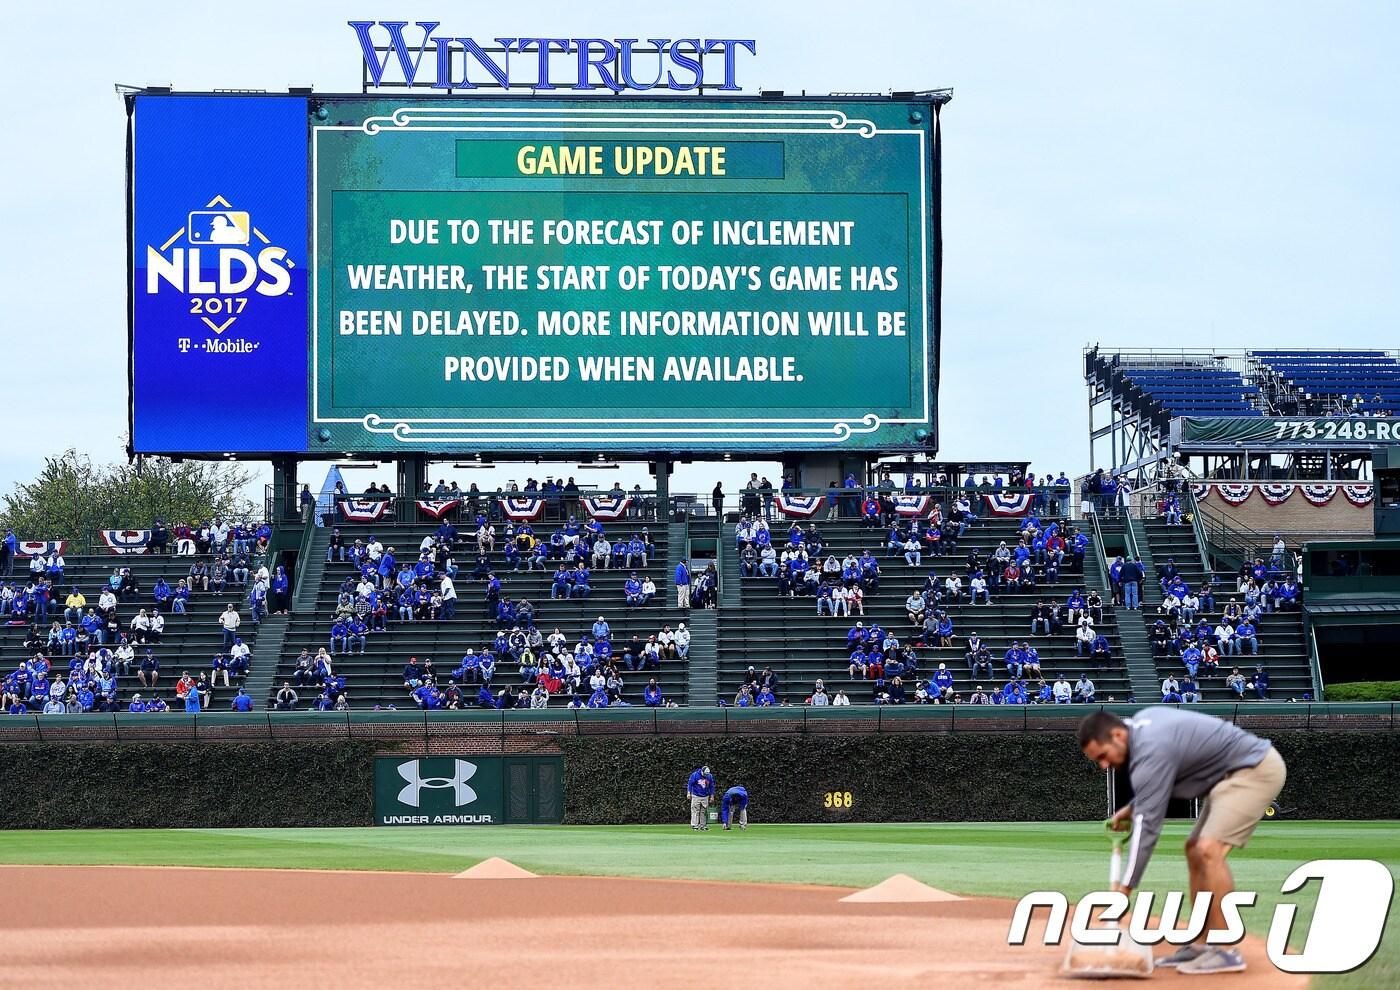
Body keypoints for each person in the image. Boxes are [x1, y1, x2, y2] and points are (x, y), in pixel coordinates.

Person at [1077, 709, 1287, 975]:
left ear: (1118, 735)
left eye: (1103, 756)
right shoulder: (1143, 731)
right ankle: (1201, 945)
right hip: (1228, 776)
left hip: (1254, 770)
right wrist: (1133, 807)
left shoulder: (1151, 747)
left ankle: (1226, 948)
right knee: (1193, 850)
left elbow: (1148, 829)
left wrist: (1124, 891)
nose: (1104, 765)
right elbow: (1157, 786)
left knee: (1208, 850)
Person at [687, 764, 716, 831]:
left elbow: (712, 786)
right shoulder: (695, 775)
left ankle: (703, 825)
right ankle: (695, 825)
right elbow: (690, 784)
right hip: (696, 795)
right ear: (702, 771)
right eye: (705, 774)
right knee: (695, 810)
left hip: (705, 796)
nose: (706, 776)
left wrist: (712, 796)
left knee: (704, 811)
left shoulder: (709, 776)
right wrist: (689, 793)